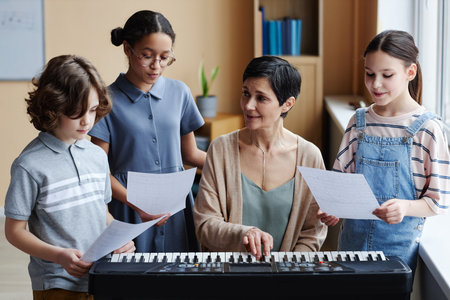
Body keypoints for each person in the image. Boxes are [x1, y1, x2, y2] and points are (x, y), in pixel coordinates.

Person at [4, 55, 135, 300]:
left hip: (100, 276)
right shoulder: (29, 165)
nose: (88, 120)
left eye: (93, 110)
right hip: (57, 284)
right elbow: (14, 231)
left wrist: (120, 238)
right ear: (53, 107)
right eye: (77, 112)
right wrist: (58, 255)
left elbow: (101, 212)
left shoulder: (97, 156)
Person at [319, 30, 450, 271]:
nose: (375, 84)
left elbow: (437, 202)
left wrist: (405, 207)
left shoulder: (428, 129)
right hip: (350, 251)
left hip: (396, 258)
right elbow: (340, 183)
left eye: (386, 75)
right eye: (369, 74)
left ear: (410, 72)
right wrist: (332, 207)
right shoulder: (358, 123)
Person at [89, 10, 206, 253]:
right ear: (127, 49)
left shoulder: (180, 92)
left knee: (178, 281)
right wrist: (137, 201)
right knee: (135, 284)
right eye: (147, 56)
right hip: (128, 209)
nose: (157, 66)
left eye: (165, 58)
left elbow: (191, 155)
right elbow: (97, 172)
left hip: (175, 208)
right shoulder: (105, 101)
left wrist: (238, 163)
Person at [193, 56, 327, 259]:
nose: (248, 105)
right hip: (230, 278)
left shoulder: (310, 156)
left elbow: (312, 233)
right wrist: (243, 234)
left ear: (287, 104)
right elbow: (205, 224)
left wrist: (288, 269)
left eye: (261, 98)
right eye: (245, 94)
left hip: (287, 279)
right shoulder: (220, 149)